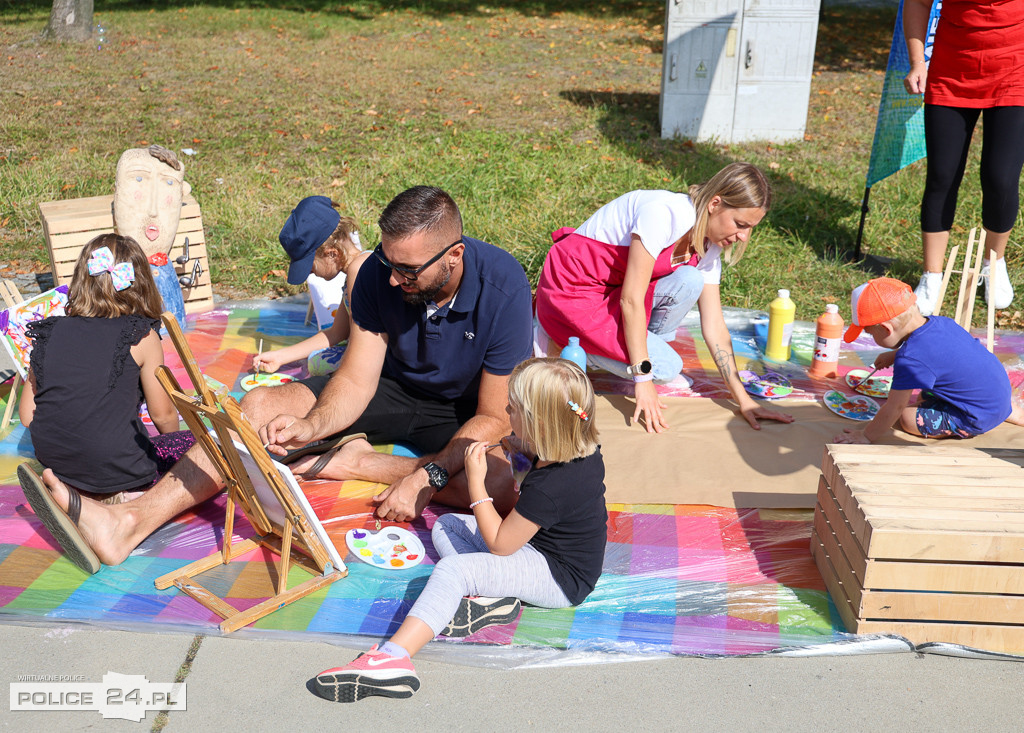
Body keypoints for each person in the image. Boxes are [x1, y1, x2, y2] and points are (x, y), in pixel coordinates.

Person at [27, 186, 533, 574]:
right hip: (390, 386)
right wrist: (313, 426)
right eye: (388, 263)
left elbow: (492, 416)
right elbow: (357, 380)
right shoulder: (382, 273)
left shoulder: (504, 285)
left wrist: (427, 476)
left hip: (460, 410)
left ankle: (349, 463)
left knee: (499, 485)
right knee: (260, 408)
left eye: (407, 271)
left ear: (454, 256)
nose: (393, 278)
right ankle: (130, 521)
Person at [310, 357, 607, 703]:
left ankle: (393, 659)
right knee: (449, 524)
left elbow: (500, 545)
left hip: (560, 577)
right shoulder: (575, 450)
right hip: (535, 547)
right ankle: (490, 599)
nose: (506, 411)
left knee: (455, 570)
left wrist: (477, 484)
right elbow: (524, 506)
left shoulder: (553, 486)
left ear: (538, 423)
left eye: (512, 408)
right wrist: (520, 451)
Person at [534, 161, 793, 434]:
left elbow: (715, 325)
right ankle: (564, 342)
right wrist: (643, 377)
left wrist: (745, 401)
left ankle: (632, 353)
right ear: (715, 204)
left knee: (689, 280)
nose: (743, 236)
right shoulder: (665, 214)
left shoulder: (709, 244)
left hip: (614, 288)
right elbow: (631, 300)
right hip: (574, 293)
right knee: (667, 368)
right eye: (740, 224)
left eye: (751, 228)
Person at [17, 234, 196, 574]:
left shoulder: (49, 332)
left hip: (56, 461)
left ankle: (69, 491)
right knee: (208, 452)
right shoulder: (142, 335)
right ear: (140, 283)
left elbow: (27, 416)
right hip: (119, 471)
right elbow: (162, 414)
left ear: (82, 281)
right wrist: (174, 448)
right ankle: (122, 503)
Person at [903, 0, 1024, 315]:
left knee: (1001, 178)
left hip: (1015, 70)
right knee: (942, 175)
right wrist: (918, 62)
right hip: (952, 70)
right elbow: (916, 3)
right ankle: (931, 277)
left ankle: (993, 265)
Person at [834, 277, 1024, 445]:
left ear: (885, 329)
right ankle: (1005, 411)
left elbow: (895, 407)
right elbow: (936, 350)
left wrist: (866, 435)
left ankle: (977, 421)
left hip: (976, 417)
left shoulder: (909, 361)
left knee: (907, 417)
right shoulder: (942, 322)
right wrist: (893, 355)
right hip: (997, 394)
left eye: (869, 332)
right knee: (926, 394)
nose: (871, 338)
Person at [251, 196, 369, 376]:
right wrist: (280, 356)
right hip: (368, 353)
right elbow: (337, 333)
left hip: (381, 361)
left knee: (317, 364)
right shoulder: (355, 272)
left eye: (310, 266)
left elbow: (365, 350)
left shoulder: (360, 272)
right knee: (316, 359)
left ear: (332, 254)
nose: (309, 273)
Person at [113, 145, 192, 330]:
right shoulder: (123, 272)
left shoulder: (165, 269)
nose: (153, 211)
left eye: (169, 183)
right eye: (138, 179)